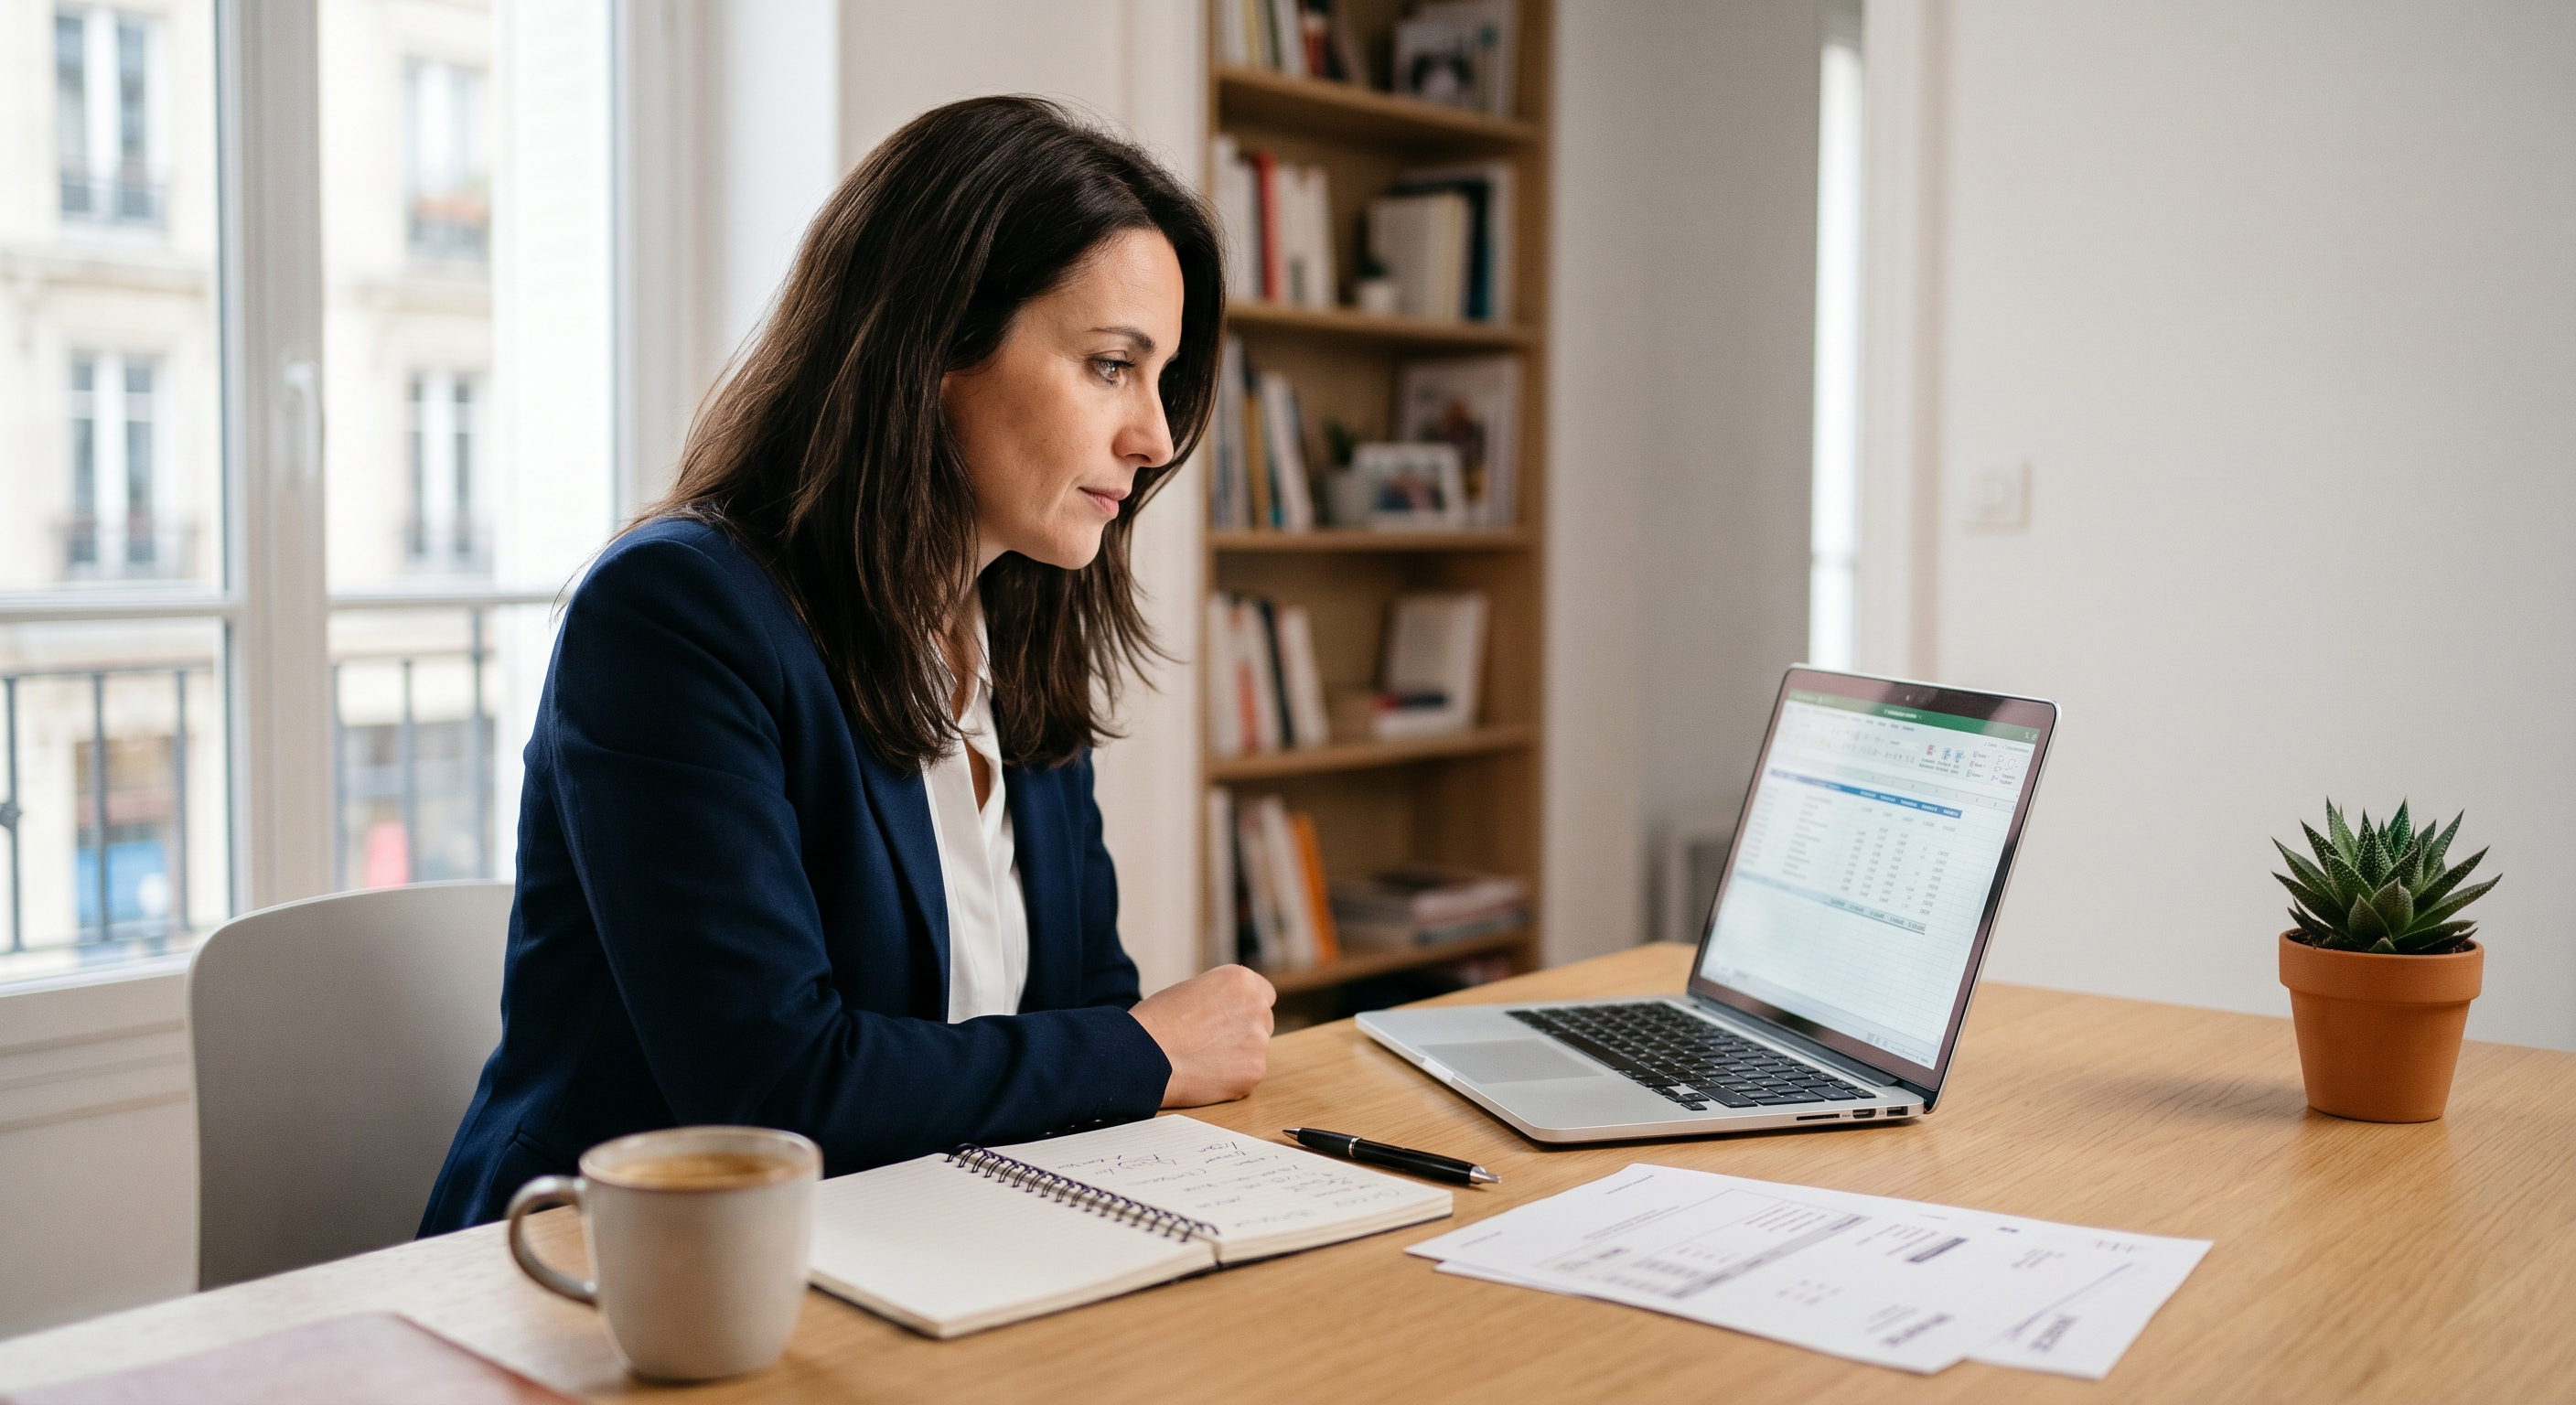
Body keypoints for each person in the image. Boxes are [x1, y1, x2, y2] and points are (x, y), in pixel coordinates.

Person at [419, 96, 1274, 1234]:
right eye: (1112, 366)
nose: (1157, 437)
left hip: (932, 1243)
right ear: (934, 347)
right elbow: (775, 1088)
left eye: (1162, 380)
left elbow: (1083, 1007)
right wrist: (1141, 1052)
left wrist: (1124, 1058)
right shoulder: (674, 615)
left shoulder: (1018, 629)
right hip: (616, 1277)